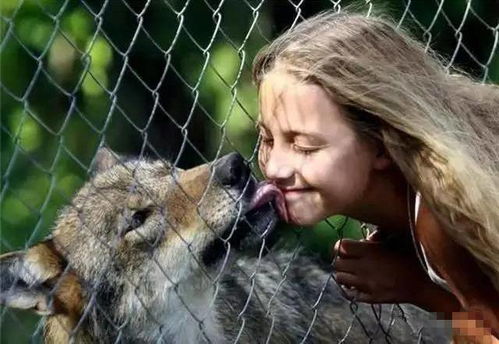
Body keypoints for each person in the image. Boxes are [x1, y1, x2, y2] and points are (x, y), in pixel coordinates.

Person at [251, 9, 499, 343]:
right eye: (267, 139)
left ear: (381, 144)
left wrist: (416, 288)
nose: (276, 168)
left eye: (306, 147)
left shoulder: (442, 216)